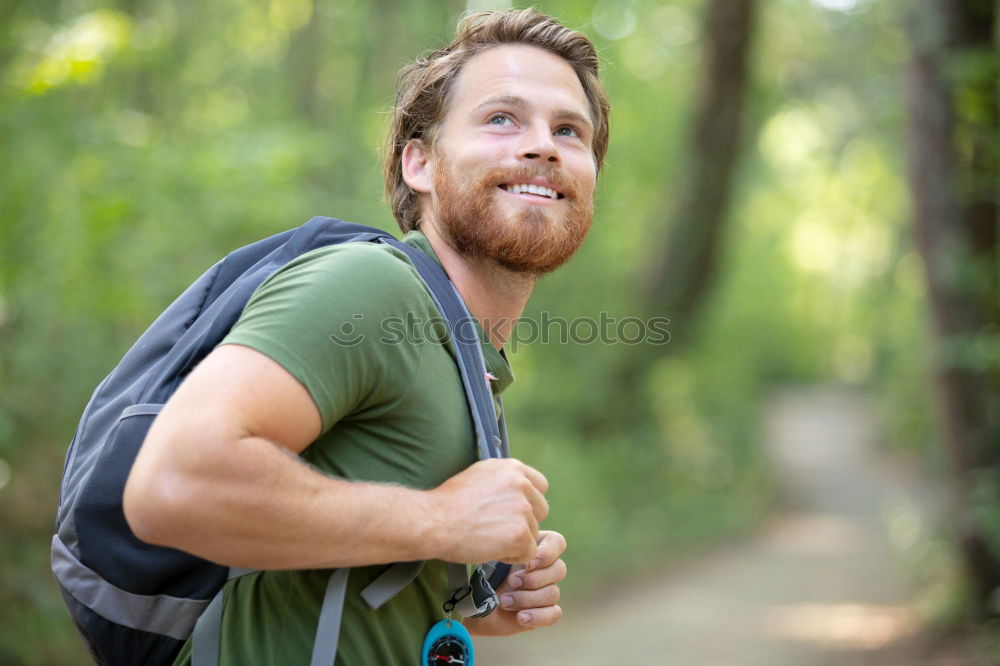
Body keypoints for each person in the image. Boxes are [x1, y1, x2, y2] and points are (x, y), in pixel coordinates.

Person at [123, 8, 611, 665]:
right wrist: (442, 520)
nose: (544, 145)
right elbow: (172, 486)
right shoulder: (369, 288)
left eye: (569, 131)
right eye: (502, 118)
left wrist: (467, 585)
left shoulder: (464, 351)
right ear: (421, 164)